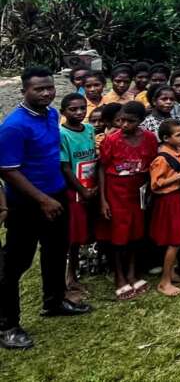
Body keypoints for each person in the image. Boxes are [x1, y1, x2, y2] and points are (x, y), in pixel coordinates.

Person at [0, 66, 92, 350]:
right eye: (39, 89)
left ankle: (54, 302)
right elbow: (7, 170)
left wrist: (57, 195)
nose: (46, 93)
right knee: (15, 263)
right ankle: (7, 325)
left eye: (49, 87)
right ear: (24, 90)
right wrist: (42, 199)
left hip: (56, 196)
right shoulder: (14, 126)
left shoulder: (52, 114)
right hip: (27, 204)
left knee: (55, 252)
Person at [98, 100, 157, 300]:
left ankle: (133, 271)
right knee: (118, 235)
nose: (124, 125)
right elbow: (102, 168)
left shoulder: (149, 138)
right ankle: (119, 276)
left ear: (140, 121)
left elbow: (152, 165)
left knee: (136, 233)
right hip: (116, 192)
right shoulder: (112, 140)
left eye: (130, 121)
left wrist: (150, 190)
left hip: (138, 191)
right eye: (121, 120)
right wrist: (103, 200)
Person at [149, 119, 180, 297]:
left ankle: (171, 273)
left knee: (178, 237)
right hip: (168, 200)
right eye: (178, 135)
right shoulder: (161, 158)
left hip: (179, 197)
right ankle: (164, 282)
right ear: (165, 138)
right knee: (175, 240)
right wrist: (179, 176)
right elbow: (156, 184)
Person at [59, 93, 98, 299]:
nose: (79, 112)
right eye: (73, 109)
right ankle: (69, 278)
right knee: (73, 237)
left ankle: (76, 274)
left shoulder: (90, 129)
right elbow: (65, 167)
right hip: (74, 190)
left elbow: (92, 158)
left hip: (91, 187)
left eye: (82, 108)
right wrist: (81, 190)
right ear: (63, 112)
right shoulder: (62, 134)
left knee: (86, 231)